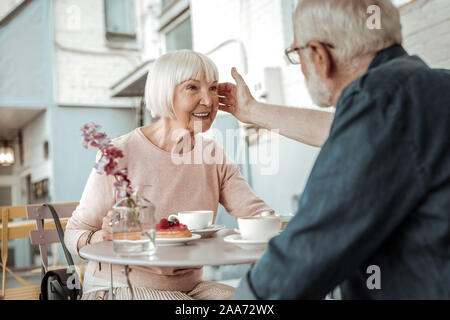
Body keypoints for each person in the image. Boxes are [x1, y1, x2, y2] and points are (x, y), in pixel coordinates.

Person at [219, 0, 450, 299]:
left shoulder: (376, 102)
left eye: (296, 53)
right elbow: (336, 130)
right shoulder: (427, 88)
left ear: (318, 55)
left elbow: (307, 250)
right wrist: (252, 110)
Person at [64, 50, 275, 300]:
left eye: (213, 88)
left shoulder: (212, 155)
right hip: (117, 286)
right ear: (165, 92)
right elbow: (73, 233)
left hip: (191, 288)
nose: (208, 100)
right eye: (193, 88)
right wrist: (102, 235)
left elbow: (256, 214)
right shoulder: (119, 152)